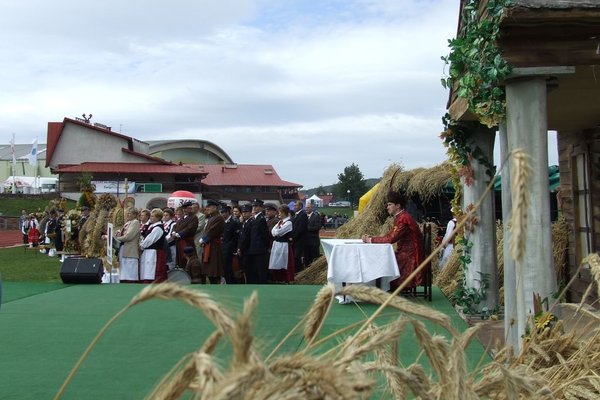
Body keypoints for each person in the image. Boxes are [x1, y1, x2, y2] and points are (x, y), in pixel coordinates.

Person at [362, 191, 425, 291]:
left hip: (410, 254)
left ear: (398, 206)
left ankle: (381, 287)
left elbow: (391, 239)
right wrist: (373, 238)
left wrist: (370, 240)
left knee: (384, 260)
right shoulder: (401, 217)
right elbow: (390, 236)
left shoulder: (403, 218)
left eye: (390, 204)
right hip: (406, 251)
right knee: (385, 257)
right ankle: (380, 287)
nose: (387, 207)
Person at [198, 199, 225, 284]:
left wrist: (203, 240)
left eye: (209, 207)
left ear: (215, 207)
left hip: (214, 247)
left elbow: (212, 231)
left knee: (214, 271)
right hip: (209, 246)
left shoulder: (219, 218)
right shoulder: (211, 218)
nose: (207, 209)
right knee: (209, 270)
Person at [139, 208, 167, 283]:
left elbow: (150, 239)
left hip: (154, 252)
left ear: (157, 218)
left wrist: (142, 246)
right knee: (147, 269)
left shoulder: (158, 228)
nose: (150, 218)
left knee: (152, 269)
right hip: (149, 251)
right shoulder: (152, 226)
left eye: (152, 216)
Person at [245, 199, 270, 284]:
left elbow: (265, 235)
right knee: (255, 271)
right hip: (254, 249)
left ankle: (263, 287)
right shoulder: (255, 218)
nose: (254, 208)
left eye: (256, 206)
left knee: (261, 271)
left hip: (260, 249)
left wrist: (264, 247)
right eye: (253, 206)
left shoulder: (261, 219)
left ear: (261, 207)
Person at [268, 205, 295, 283]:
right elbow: (273, 231)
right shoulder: (280, 222)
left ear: (284, 213)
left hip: (284, 245)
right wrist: (276, 232)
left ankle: (286, 279)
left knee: (285, 262)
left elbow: (278, 232)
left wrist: (276, 232)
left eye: (279, 212)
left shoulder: (289, 222)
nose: (278, 214)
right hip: (277, 244)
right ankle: (278, 278)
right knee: (276, 262)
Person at [114, 208, 141, 283]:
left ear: (135, 215)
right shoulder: (127, 223)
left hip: (130, 249)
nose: (127, 215)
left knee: (130, 268)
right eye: (127, 213)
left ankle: (130, 282)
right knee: (123, 269)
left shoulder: (135, 222)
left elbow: (129, 236)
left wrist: (117, 239)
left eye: (129, 213)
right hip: (123, 248)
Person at [172, 201, 199, 268]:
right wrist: (173, 232)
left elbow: (190, 228)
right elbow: (175, 226)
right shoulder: (182, 218)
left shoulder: (193, 217)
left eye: (189, 208)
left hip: (187, 242)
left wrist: (178, 234)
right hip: (179, 242)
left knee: (189, 259)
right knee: (180, 259)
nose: (185, 210)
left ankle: (191, 273)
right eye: (185, 208)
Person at [220, 205, 240, 284]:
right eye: (221, 212)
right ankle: (226, 281)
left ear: (228, 213)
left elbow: (236, 237)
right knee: (224, 266)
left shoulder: (233, 222)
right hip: (222, 247)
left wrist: (232, 248)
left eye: (223, 212)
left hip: (229, 248)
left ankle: (230, 282)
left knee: (228, 266)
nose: (221, 214)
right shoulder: (222, 222)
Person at [237, 203, 254, 283]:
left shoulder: (251, 222)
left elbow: (246, 238)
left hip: (247, 250)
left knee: (249, 271)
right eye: (243, 212)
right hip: (243, 250)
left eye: (246, 212)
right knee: (244, 270)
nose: (244, 214)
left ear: (251, 212)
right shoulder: (246, 222)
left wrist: (241, 248)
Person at [304, 203, 323, 267]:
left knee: (314, 259)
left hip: (313, 242)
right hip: (305, 242)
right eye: (306, 207)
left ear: (312, 208)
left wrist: (307, 229)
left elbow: (318, 227)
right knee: (306, 259)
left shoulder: (316, 216)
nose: (306, 209)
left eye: (308, 207)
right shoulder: (304, 216)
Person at [292, 201, 308, 273]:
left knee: (297, 257)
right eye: (294, 205)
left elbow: (300, 229)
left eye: (296, 206)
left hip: (299, 240)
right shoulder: (297, 215)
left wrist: (293, 237)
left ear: (300, 206)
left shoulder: (303, 215)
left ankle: (299, 272)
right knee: (295, 257)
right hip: (296, 240)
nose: (295, 207)